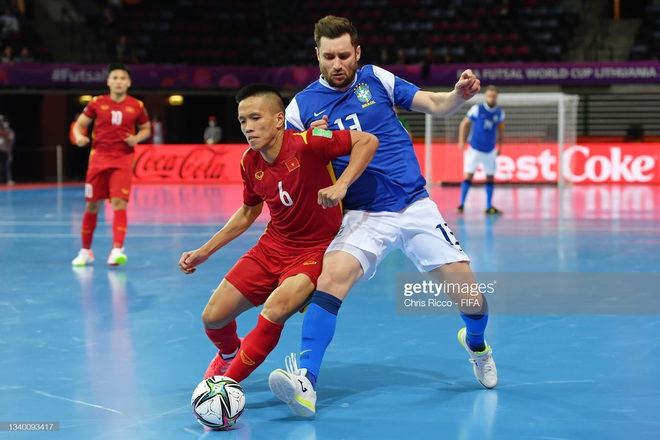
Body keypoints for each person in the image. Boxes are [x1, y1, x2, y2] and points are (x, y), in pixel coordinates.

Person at [268, 15, 496, 418]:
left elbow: (437, 105)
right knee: (331, 278)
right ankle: (306, 380)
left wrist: (458, 95)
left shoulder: (376, 79)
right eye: (328, 57)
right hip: (363, 213)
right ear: (316, 56)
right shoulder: (301, 107)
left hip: (414, 205)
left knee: (473, 300)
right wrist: (314, 144)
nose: (337, 64)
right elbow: (286, 163)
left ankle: (476, 345)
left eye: (344, 55)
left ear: (357, 53)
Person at [178, 83, 378, 384]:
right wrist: (205, 251)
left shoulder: (310, 142)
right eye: (243, 120)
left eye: (256, 118)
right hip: (272, 247)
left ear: (279, 119)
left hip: (312, 252)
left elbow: (367, 141)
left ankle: (228, 387)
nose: (248, 127)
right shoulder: (249, 161)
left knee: (273, 311)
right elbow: (248, 212)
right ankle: (230, 354)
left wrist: (342, 185)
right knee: (213, 317)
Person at [71, 63, 151, 267]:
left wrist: (136, 138)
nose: (118, 81)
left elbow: (146, 128)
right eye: (115, 77)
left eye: (123, 78)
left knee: (119, 203)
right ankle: (85, 251)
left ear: (129, 83)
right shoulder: (97, 103)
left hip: (122, 160)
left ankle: (117, 249)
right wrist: (79, 137)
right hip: (98, 159)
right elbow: (79, 125)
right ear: (108, 81)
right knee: (92, 205)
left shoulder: (137, 105)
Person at [457, 85, 505, 215]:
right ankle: (461, 204)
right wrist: (461, 141)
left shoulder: (499, 113)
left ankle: (489, 206)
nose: (491, 98)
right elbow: (464, 123)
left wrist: (500, 146)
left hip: (490, 150)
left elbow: (500, 130)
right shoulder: (477, 109)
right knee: (469, 176)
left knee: (490, 177)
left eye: (494, 96)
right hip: (475, 149)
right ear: (485, 96)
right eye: (489, 95)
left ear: (496, 97)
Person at [0, 114, 14, 184]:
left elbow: (8, 136)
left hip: (5, 151)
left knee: (4, 167)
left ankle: (6, 180)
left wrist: (3, 128)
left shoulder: (8, 131)